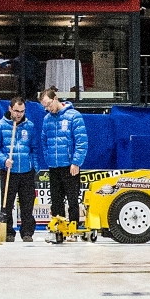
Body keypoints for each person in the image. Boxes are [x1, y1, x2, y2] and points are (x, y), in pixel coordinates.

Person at [0, 96, 37, 242]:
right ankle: (8, 232)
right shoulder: (0, 125)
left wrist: (35, 167)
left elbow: (34, 148)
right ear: (10, 109)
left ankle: (27, 232)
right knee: (7, 204)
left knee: (27, 204)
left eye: (22, 111)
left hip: (27, 171)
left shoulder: (30, 126)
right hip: (8, 171)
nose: (19, 114)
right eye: (16, 111)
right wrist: (4, 160)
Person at [38, 88, 88, 226]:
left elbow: (81, 141)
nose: (48, 108)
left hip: (70, 165)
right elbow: (44, 141)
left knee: (72, 199)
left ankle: (73, 227)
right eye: (45, 107)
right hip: (54, 166)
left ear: (56, 98)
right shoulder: (47, 119)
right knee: (56, 200)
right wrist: (48, 158)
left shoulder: (74, 116)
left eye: (49, 104)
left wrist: (76, 162)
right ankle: (59, 228)